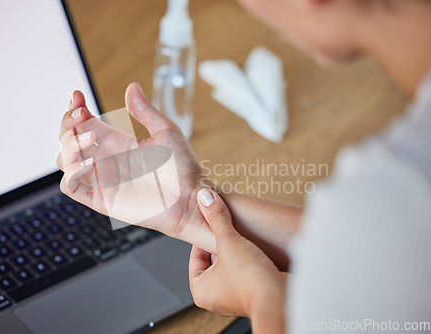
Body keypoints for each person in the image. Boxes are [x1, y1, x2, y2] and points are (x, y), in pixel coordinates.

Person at [57, 0, 431, 332]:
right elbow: (369, 256)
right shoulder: (397, 203)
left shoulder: (396, 191)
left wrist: (261, 296)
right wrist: (189, 205)